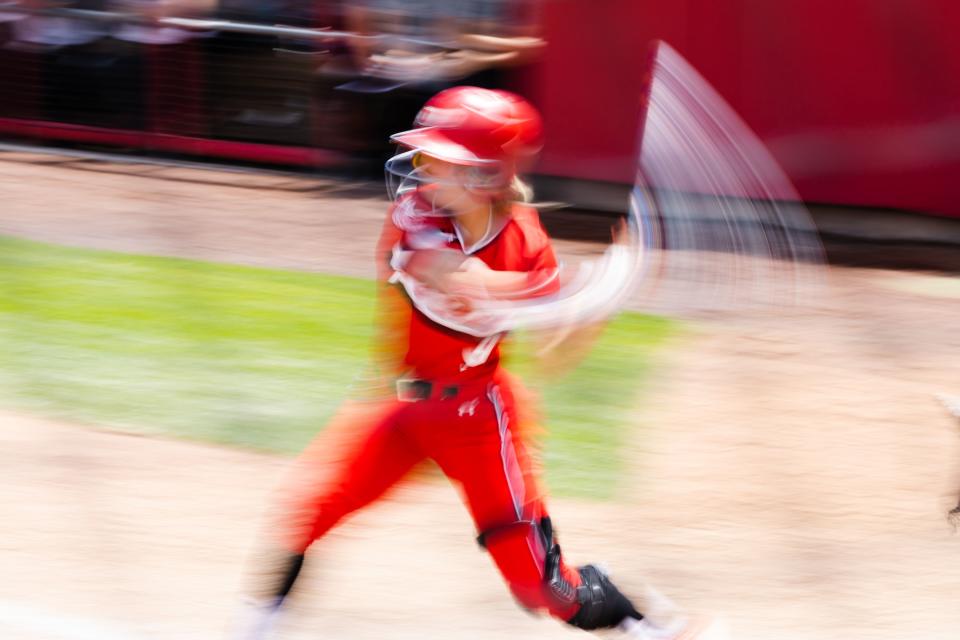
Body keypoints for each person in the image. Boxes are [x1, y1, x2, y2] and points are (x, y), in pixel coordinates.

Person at [230, 86, 723, 640]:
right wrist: (585, 286)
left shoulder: (528, 242)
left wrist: (604, 302)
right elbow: (466, 281)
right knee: (311, 511)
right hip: (402, 409)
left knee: (542, 590)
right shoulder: (416, 216)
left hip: (478, 421)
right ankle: (253, 626)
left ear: (486, 175)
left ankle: (645, 622)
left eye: (442, 160)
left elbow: (554, 357)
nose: (425, 171)